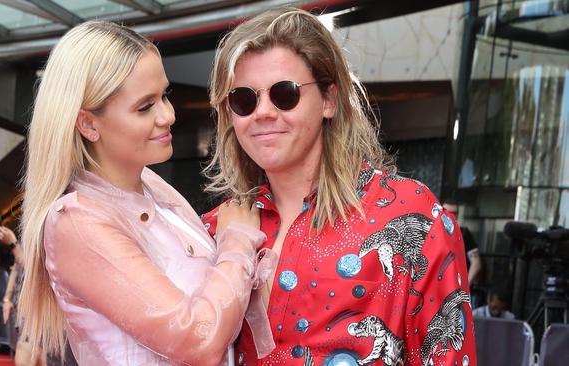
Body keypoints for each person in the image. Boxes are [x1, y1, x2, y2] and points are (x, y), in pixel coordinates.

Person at [202, 7, 478, 365]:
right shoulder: (212, 231)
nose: (263, 112)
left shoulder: (412, 214)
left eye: (285, 94)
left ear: (329, 100)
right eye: (244, 99)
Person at [18, 21, 273, 366]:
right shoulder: (77, 222)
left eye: (164, 95)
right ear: (88, 124)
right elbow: (196, 340)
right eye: (144, 106)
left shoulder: (153, 186)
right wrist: (237, 241)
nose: (167, 115)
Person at [0, 224, 48, 366]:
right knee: (24, 348)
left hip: (41, 311)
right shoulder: (28, 236)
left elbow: (35, 273)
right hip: (24, 309)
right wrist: (7, 299)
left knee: (33, 351)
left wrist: (13, 244)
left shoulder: (48, 236)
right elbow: (16, 269)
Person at [443, 201, 482, 286]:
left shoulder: (463, 233)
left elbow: (476, 262)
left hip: (456, 286)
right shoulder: (433, 233)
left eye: (454, 213)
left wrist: (464, 287)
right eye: (446, 212)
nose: (450, 215)